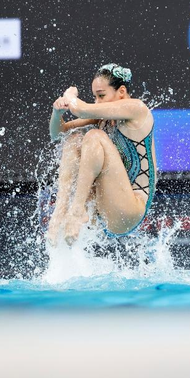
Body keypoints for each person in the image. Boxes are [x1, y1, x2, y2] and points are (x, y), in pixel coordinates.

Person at [46, 63, 156, 245]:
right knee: (73, 139)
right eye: (94, 97)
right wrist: (57, 113)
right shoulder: (104, 117)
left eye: (101, 95)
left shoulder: (137, 109)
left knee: (95, 136)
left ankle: (77, 209)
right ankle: (59, 212)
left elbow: (79, 108)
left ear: (121, 92)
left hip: (129, 211)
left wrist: (69, 95)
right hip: (104, 209)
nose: (97, 102)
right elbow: (57, 134)